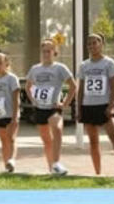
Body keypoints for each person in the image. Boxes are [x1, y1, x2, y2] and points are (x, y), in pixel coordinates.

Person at [77, 33, 114, 178]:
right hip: (88, 106)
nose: (92, 46)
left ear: (102, 44)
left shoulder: (109, 63)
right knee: (93, 140)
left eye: (95, 42)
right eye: (89, 43)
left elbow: (113, 86)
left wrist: (111, 105)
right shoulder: (84, 65)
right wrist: (79, 108)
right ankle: (97, 172)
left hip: (104, 105)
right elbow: (81, 88)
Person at [25, 39, 76, 175]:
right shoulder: (35, 69)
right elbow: (28, 86)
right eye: (44, 51)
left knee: (57, 129)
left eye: (49, 51)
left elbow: (73, 85)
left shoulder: (60, 68)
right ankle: (51, 168)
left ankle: (57, 163)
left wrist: (66, 103)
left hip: (54, 107)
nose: (46, 54)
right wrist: (33, 100)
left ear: (55, 52)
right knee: (47, 140)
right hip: (40, 108)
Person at [0, 52, 20, 173]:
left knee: (11, 138)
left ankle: (12, 160)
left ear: (6, 63)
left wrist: (15, 116)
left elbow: (16, 97)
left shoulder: (12, 78)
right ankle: (6, 165)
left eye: (0, 63)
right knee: (3, 139)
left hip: (10, 114)